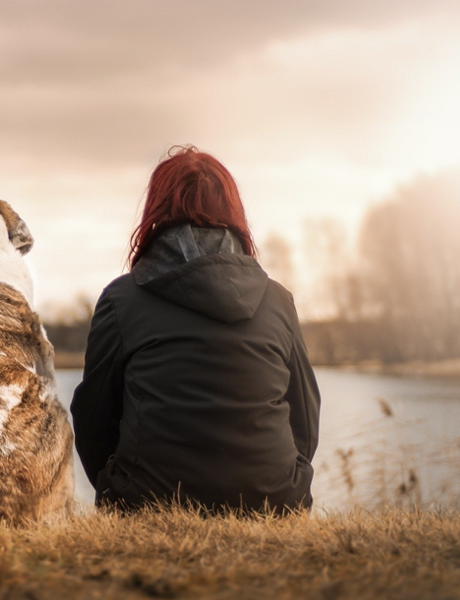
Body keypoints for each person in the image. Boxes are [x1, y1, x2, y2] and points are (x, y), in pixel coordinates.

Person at [70, 146, 320, 514]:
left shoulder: (121, 300)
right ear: (233, 212)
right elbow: (305, 418)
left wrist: (117, 486)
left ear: (156, 211)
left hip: (147, 502)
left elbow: (93, 419)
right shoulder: (278, 300)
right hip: (274, 502)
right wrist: (285, 481)